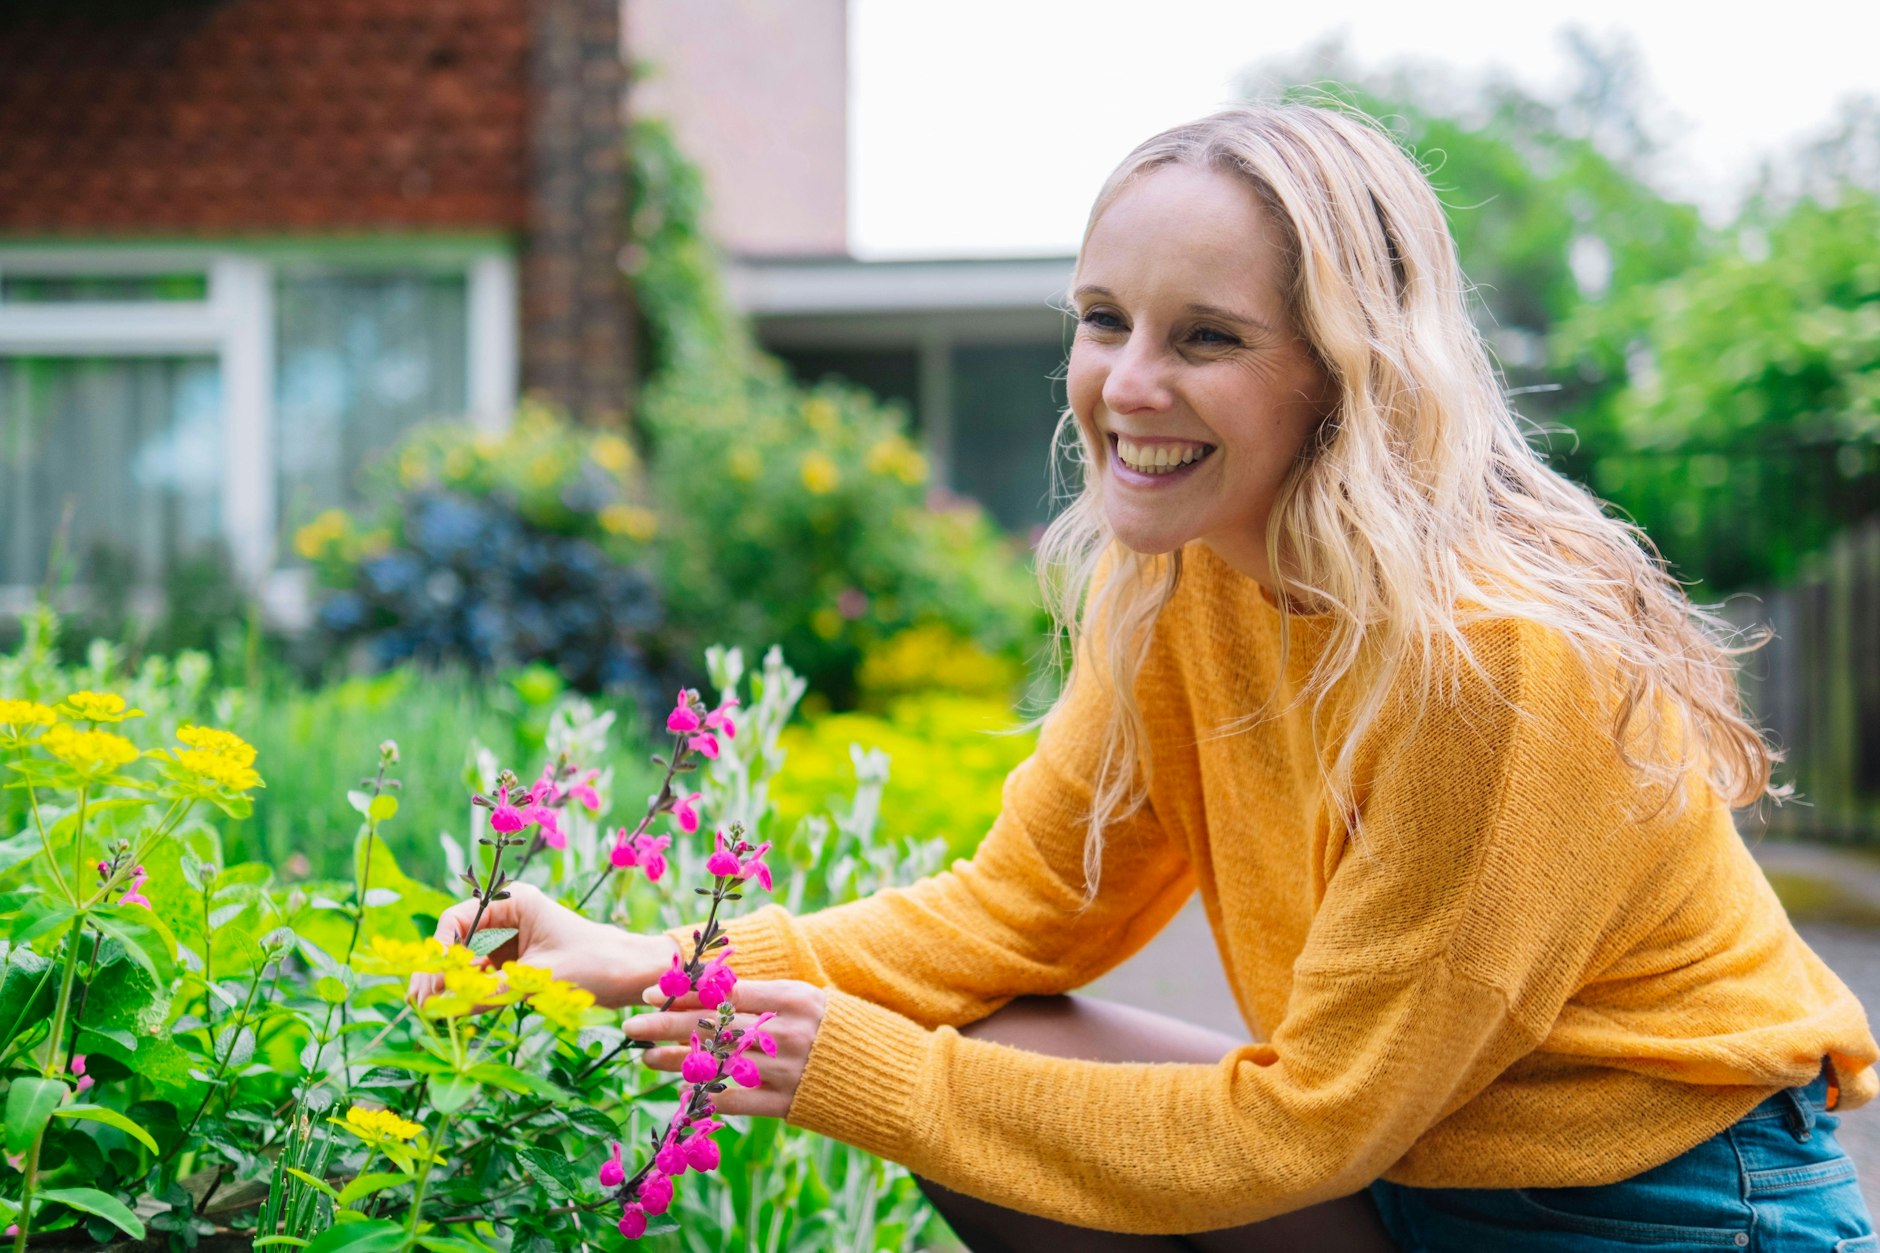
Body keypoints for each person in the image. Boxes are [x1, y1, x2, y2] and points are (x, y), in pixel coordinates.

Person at [426, 104, 1879, 1250]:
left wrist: (871, 1073)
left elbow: (1308, 1125)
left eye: (1208, 338)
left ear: (1346, 371)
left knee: (953, 1085)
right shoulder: (1188, 581)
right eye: (1104, 316)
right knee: (994, 1034)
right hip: (1408, 1172)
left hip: (1666, 1212)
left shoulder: (1487, 662)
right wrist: (659, 962)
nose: (1126, 384)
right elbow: (1019, 913)